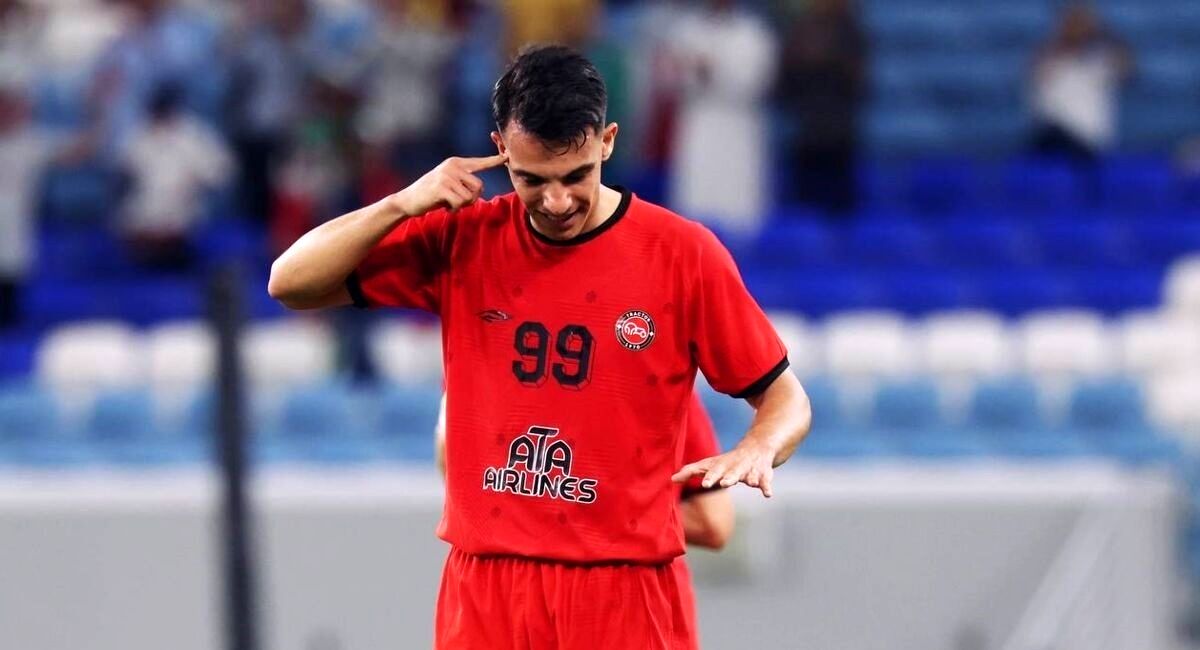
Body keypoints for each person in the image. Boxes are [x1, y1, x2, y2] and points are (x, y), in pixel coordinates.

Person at [268, 44, 811, 649]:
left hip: (622, 591)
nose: (556, 202)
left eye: (575, 176)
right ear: (500, 149)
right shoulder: (463, 238)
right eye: (532, 179)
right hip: (486, 588)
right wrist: (401, 203)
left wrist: (760, 446)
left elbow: (786, 399)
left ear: (607, 142)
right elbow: (290, 282)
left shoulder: (682, 254)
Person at [434, 391, 734, 649]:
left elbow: (713, 521)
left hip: (618, 598)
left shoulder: (655, 373)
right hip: (596, 599)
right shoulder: (650, 376)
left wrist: (561, 508)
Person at [1028, 2, 1133, 164]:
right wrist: (1068, 34)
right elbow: (1039, 72)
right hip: (1054, 140)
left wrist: (1105, 32)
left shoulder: (1100, 60)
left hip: (1091, 144)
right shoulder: (1050, 59)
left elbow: (1128, 70)